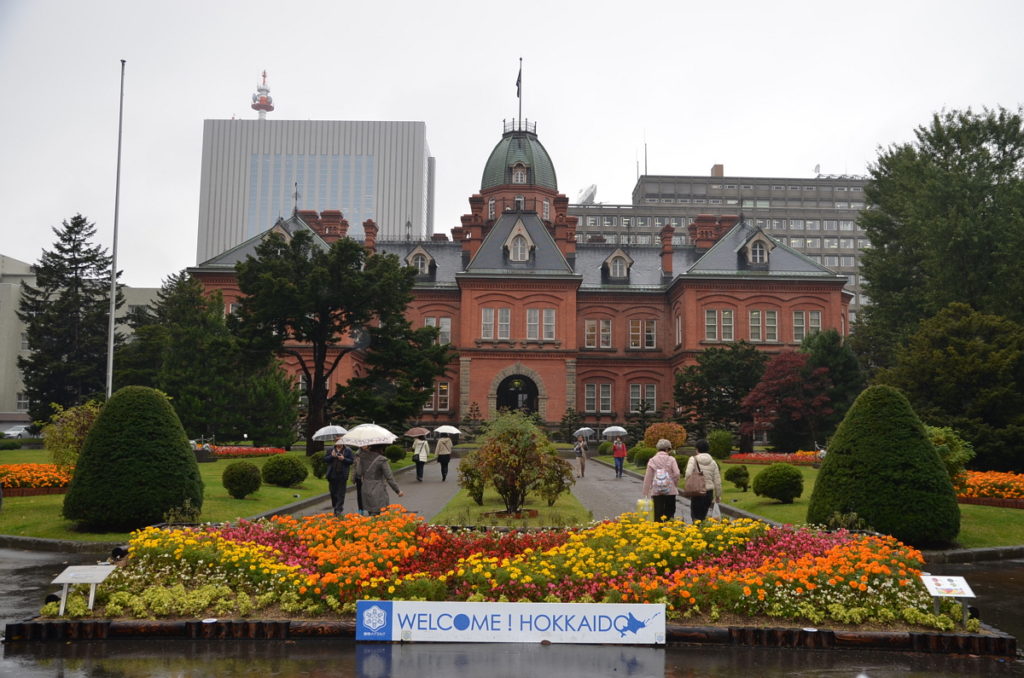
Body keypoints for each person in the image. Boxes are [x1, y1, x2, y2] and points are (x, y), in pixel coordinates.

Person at [354, 443, 404, 516]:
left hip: (365, 487)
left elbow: (358, 473)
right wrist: (397, 490)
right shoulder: (382, 459)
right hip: (377, 488)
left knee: (370, 511)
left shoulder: (362, 457)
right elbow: (389, 477)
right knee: (376, 514)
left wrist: (358, 463)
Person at [642, 439, 681, 521]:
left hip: (657, 491)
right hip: (670, 491)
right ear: (667, 449)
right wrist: (674, 483)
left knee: (657, 514)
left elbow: (648, 477)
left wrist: (646, 492)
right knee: (670, 514)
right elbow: (677, 473)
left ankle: (658, 530)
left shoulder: (652, 460)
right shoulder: (671, 459)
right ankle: (669, 530)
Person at [685, 439, 722, 522]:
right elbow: (717, 481)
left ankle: (696, 532)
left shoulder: (693, 459)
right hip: (708, 492)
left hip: (696, 491)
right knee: (703, 516)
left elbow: (688, 474)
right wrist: (718, 495)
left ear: (697, 449)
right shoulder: (713, 462)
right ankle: (702, 531)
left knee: (695, 516)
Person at [323, 440, 355, 516]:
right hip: (332, 474)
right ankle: (335, 506)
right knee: (333, 492)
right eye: (337, 440)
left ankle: (338, 509)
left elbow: (351, 461)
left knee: (341, 493)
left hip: (342, 474)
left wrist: (343, 459)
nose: (338, 442)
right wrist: (332, 456)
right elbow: (325, 459)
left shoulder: (348, 450)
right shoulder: (330, 449)